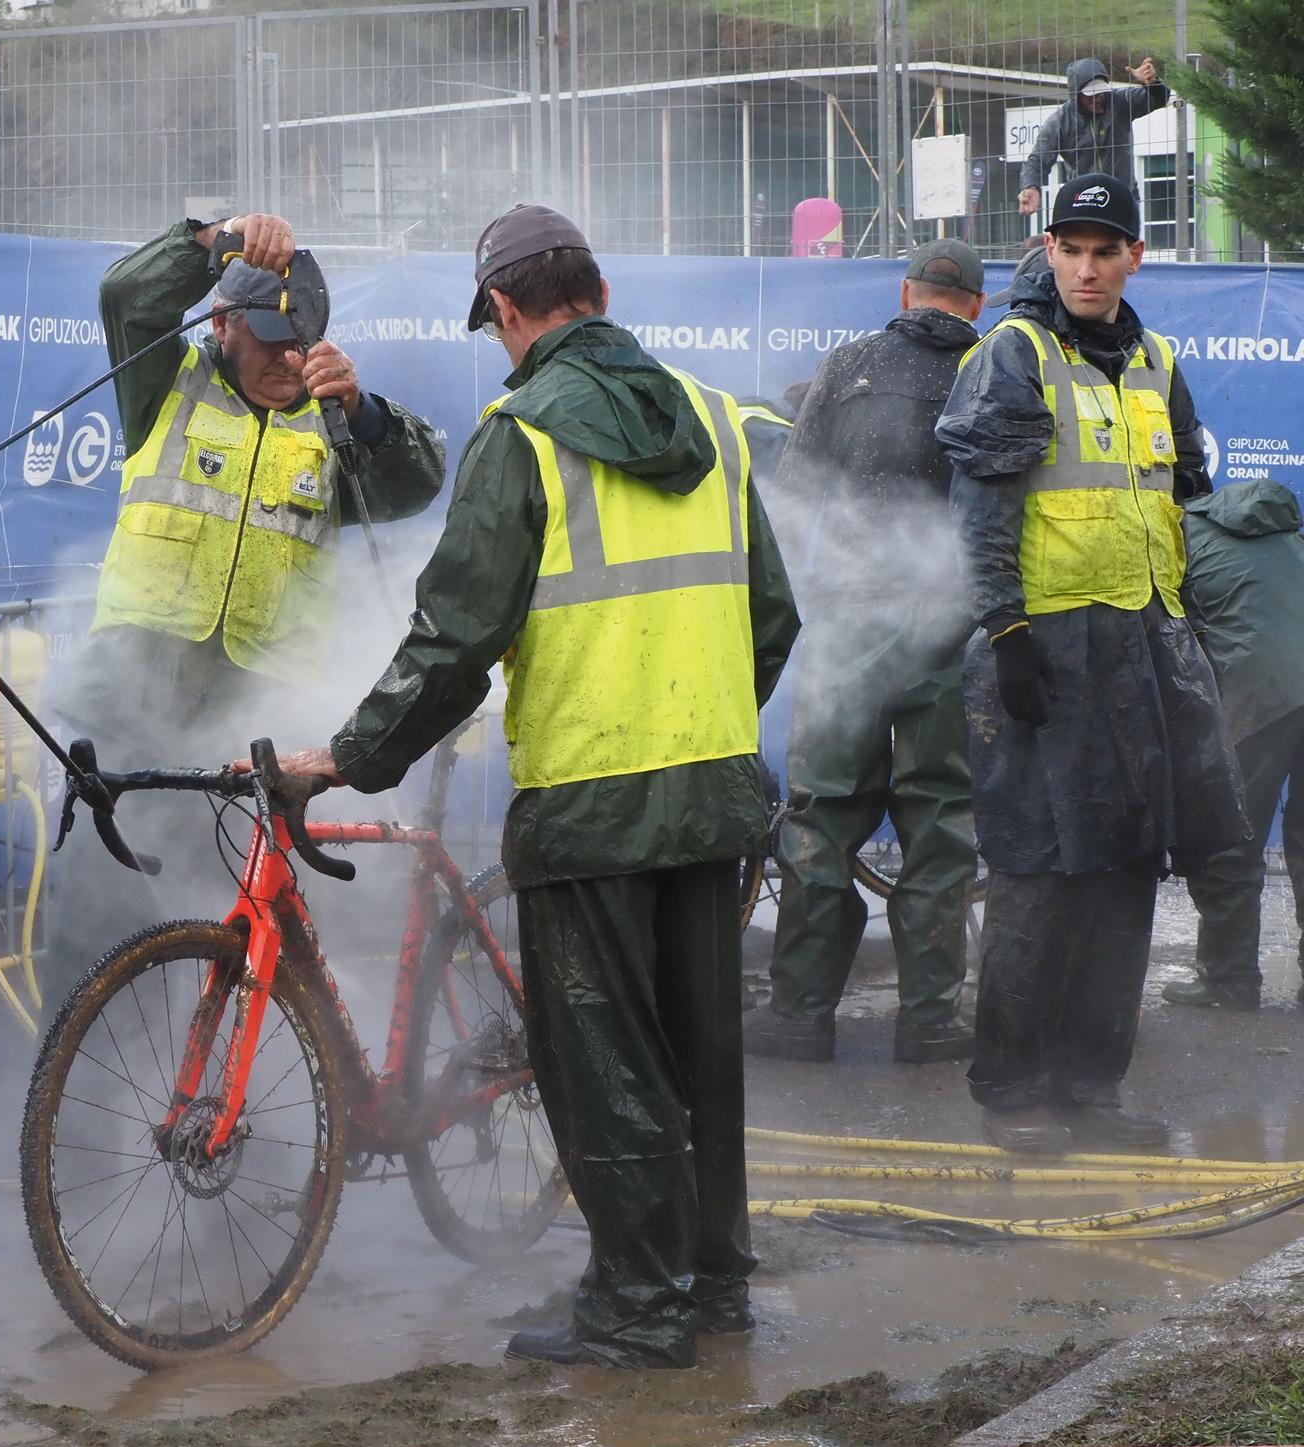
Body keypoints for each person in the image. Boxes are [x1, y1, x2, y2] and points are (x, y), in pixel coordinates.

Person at [260, 204, 799, 1368]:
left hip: (591, 805)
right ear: (596, 293)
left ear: (506, 311)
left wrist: (348, 757)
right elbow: (771, 618)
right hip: (710, 793)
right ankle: (710, 1291)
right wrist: (696, 717)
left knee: (604, 1064)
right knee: (700, 1052)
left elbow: (453, 642)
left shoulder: (519, 434)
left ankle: (634, 1310)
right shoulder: (709, 414)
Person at [936, 174, 1247, 1153]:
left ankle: (1088, 1090)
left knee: (1121, 871)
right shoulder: (1011, 355)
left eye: (1102, 248)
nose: (1083, 265)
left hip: (1141, 653)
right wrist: (1002, 632)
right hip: (1040, 657)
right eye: (1067, 246)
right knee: (1037, 873)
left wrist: (1186, 638)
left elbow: (1178, 508)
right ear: (1044, 251)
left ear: (1130, 260)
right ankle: (1013, 1093)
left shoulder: (1155, 362)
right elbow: (979, 513)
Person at [58, 210, 445, 767]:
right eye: (270, 339)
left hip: (265, 717)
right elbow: (125, 294)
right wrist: (212, 239)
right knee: (108, 853)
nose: (290, 358)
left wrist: (362, 413)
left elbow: (418, 484)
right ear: (222, 323)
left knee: (234, 858)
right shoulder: (167, 381)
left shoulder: (335, 420)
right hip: (126, 702)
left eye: (300, 340)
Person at [744, 239, 986, 1065]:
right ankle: (927, 1022)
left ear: (906, 291)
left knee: (821, 820)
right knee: (941, 827)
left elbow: (796, 493)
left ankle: (800, 1015)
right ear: (976, 306)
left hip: (847, 625)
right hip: (948, 629)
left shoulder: (846, 366)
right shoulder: (993, 370)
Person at [1161, 479, 1304, 1012]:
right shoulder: (1284, 532)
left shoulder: (1177, 534)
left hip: (1261, 690)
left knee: (1232, 835)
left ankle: (1229, 979)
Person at [1017, 58, 1169, 218]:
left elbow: (1158, 100)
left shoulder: (1120, 102)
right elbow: (1037, 161)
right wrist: (1031, 187)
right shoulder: (1060, 122)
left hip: (1123, 198)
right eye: (1091, 94)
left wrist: (1152, 84)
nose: (1098, 98)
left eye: (1101, 92)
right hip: (1084, 203)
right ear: (1076, 95)